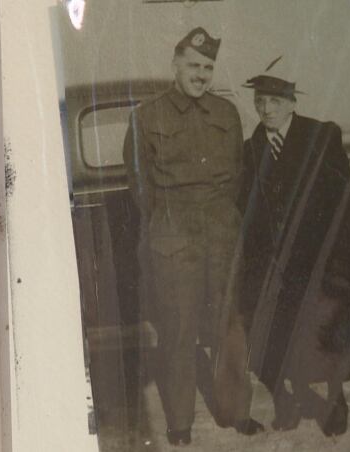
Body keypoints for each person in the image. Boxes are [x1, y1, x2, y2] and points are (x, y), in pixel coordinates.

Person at [122, 27, 262, 446]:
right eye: (194, 65)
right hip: (173, 235)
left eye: (208, 67)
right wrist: (171, 222)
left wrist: (217, 218)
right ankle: (179, 422)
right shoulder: (147, 116)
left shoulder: (227, 113)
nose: (201, 74)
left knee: (228, 325)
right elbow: (139, 184)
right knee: (178, 329)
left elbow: (237, 175)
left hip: (220, 232)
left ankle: (236, 412)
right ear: (176, 66)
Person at [238, 59, 350, 436]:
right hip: (275, 266)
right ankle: (286, 402)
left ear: (291, 102)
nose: (266, 109)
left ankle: (335, 402)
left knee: (328, 338)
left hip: (321, 260)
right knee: (277, 338)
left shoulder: (321, 135)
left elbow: (344, 198)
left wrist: (333, 252)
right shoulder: (249, 149)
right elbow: (246, 211)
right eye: (260, 101)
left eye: (274, 101)